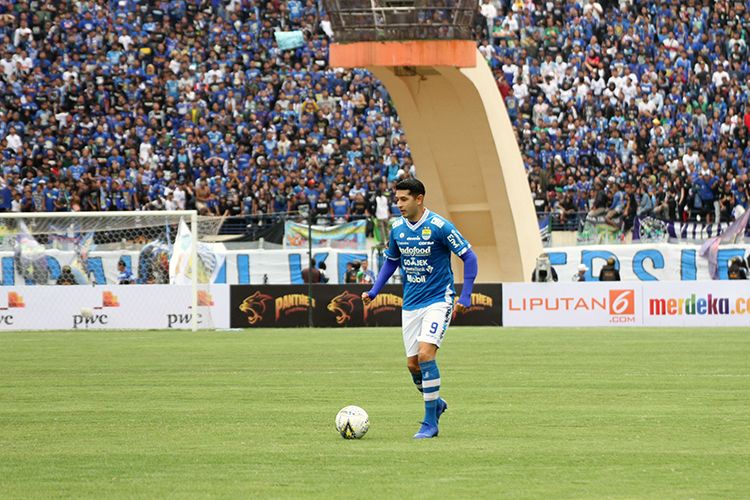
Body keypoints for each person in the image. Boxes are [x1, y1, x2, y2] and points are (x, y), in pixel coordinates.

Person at [362, 179, 478, 439]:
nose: (399, 204)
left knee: (426, 355)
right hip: (412, 303)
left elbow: (470, 256)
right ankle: (435, 403)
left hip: (439, 300)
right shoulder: (397, 229)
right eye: (397, 199)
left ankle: (430, 423)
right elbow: (391, 262)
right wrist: (374, 290)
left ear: (419, 198)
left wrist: (466, 294)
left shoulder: (439, 227)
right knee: (413, 365)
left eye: (404, 199)